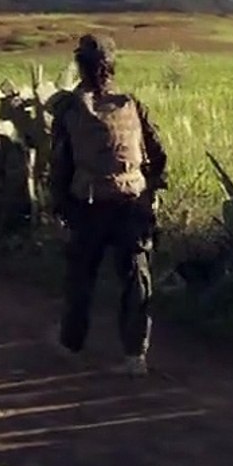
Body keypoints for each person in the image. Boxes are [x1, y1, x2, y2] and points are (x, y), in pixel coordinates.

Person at [46, 34, 168, 378]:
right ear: (111, 66)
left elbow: (60, 163)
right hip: (132, 203)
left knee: (81, 278)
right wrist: (151, 190)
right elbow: (158, 153)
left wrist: (59, 205)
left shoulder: (69, 109)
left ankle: (71, 344)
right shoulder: (131, 104)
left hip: (88, 204)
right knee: (135, 280)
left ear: (80, 66)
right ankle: (135, 355)